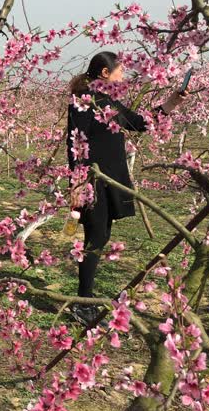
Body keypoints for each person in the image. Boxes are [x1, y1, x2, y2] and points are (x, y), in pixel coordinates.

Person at [66, 51, 187, 324]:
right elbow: (75, 143)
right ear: (105, 74)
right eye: (120, 71)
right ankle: (83, 302)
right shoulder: (83, 103)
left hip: (110, 179)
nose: (123, 76)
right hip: (92, 181)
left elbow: (140, 124)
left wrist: (172, 102)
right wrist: (76, 182)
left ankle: (84, 299)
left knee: (101, 237)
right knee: (94, 240)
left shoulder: (109, 102)